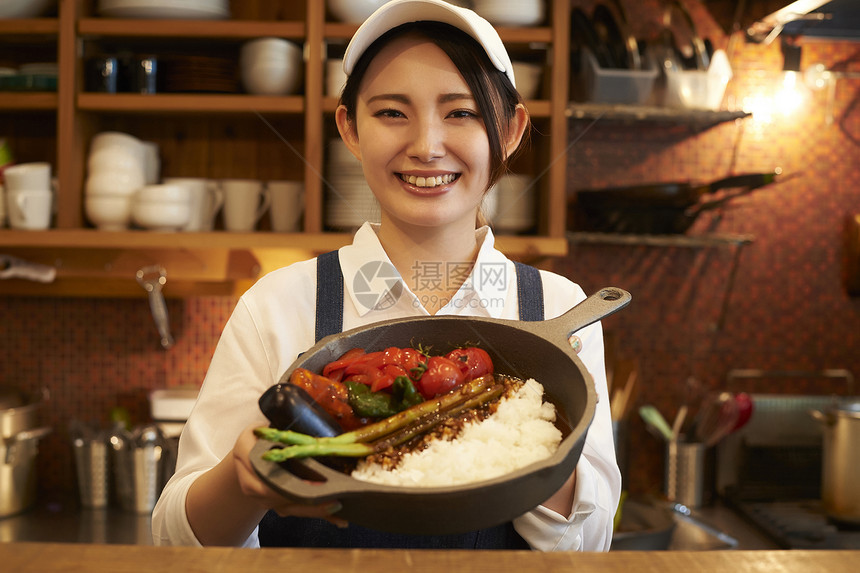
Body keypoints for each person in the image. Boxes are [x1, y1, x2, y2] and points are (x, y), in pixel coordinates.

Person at [151, 0, 620, 551]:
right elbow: (174, 543)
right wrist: (242, 482)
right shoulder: (278, 305)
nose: (425, 146)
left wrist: (526, 423)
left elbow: (591, 545)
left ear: (512, 129)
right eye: (392, 113)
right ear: (350, 128)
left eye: (461, 112)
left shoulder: (556, 307)